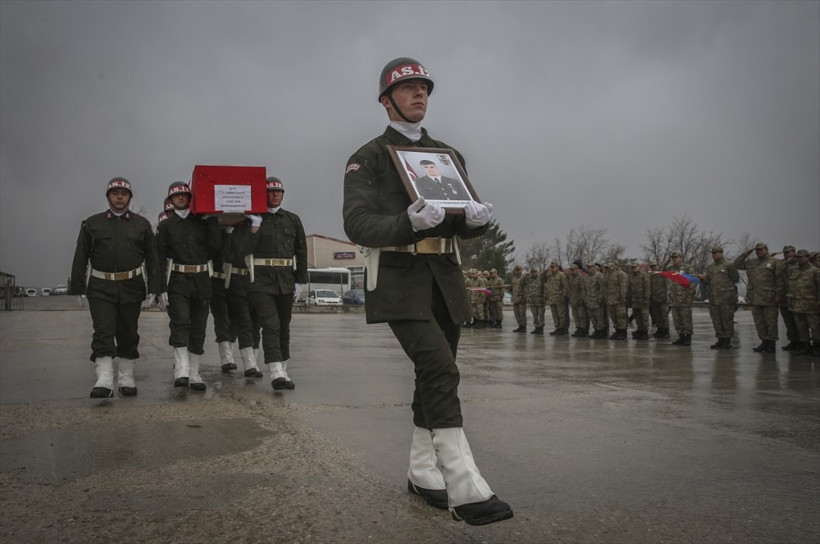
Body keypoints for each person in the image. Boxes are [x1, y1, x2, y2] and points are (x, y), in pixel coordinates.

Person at [342, 57, 513, 526]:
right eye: (409, 87)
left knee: (432, 374)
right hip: (399, 281)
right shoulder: (369, 157)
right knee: (439, 368)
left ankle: (422, 472)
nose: (420, 94)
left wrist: (475, 222)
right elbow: (356, 223)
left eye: (424, 88)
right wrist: (407, 222)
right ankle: (464, 485)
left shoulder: (447, 155)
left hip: (444, 278)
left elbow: (457, 221)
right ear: (386, 100)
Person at [70, 178, 161, 398]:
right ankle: (104, 380)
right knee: (103, 331)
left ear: (130, 197)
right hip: (100, 287)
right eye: (115, 192)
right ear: (108, 196)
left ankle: (126, 378)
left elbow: (152, 257)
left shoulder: (142, 224)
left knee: (128, 332)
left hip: (131, 286)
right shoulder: (92, 223)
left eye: (124, 193)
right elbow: (81, 255)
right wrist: (78, 286)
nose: (119, 196)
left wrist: (155, 287)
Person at [156, 181, 221, 390]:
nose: (181, 198)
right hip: (177, 280)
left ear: (190, 198)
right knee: (181, 322)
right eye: (176, 196)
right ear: (171, 200)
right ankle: (181, 370)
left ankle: (194, 372)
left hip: (201, 280)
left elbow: (215, 247)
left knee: (199, 327)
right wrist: (159, 288)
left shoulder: (202, 223)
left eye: (184, 195)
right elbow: (159, 258)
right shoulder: (166, 226)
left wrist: (212, 220)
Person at [246, 177, 308, 390]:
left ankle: (283, 369)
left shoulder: (292, 219)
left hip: (286, 280)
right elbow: (243, 249)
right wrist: (254, 227)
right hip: (261, 282)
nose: (275, 194)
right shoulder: (253, 219)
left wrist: (300, 280)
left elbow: (301, 250)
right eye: (271, 191)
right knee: (270, 325)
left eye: (279, 191)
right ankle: (275, 372)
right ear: (263, 194)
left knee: (283, 326)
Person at [733, 242, 785, 353]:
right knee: (759, 322)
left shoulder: (775, 262)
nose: (759, 252)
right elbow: (736, 264)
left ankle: (771, 344)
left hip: (769, 298)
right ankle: (764, 342)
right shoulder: (753, 262)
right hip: (755, 297)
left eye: (761, 249)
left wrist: (778, 295)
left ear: (766, 249)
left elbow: (780, 280)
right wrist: (745, 254)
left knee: (771, 322)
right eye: (757, 250)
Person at [696, 247, 739, 349]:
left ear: (721, 253)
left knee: (726, 320)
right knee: (716, 320)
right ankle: (720, 339)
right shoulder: (711, 267)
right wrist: (703, 278)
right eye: (713, 253)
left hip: (726, 298)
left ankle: (727, 340)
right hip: (714, 298)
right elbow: (708, 281)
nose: (714, 255)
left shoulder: (728, 265)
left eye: (715, 253)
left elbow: (735, 279)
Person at [786, 249, 820, 357]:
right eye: (798, 257)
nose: (799, 259)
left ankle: (817, 347)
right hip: (797, 305)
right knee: (801, 327)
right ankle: (806, 347)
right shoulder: (793, 270)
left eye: (801, 257)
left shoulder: (815, 271)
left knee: (815, 327)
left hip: (811, 305)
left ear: (807, 257)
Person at [664, 252, 694, 346]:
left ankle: (688, 337)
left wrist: (689, 296)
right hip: (673, 299)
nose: (674, 259)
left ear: (681, 257)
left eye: (676, 257)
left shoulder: (687, 268)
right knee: (677, 320)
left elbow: (692, 283)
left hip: (684, 298)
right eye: (673, 257)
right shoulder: (670, 269)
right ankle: (681, 337)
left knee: (686, 319)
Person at [778, 245, 800, 351]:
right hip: (784, 297)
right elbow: (776, 272)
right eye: (785, 252)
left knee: (799, 322)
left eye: (788, 252)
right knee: (789, 323)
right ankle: (793, 341)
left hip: (796, 297)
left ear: (794, 252)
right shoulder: (782, 264)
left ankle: (803, 343)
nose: (786, 254)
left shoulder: (799, 263)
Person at [605, 262, 629, 340]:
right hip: (611, 300)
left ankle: (623, 332)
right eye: (607, 267)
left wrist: (622, 298)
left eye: (609, 267)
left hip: (619, 300)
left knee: (621, 317)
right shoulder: (608, 275)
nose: (608, 269)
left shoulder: (621, 274)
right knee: (614, 317)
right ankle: (617, 331)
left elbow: (623, 287)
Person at [582, 262, 607, 338]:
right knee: (593, 317)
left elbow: (602, 289)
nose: (588, 268)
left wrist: (601, 299)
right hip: (589, 301)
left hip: (597, 301)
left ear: (594, 267)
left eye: (590, 267)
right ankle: (596, 331)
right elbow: (584, 289)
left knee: (599, 317)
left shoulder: (599, 276)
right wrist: (585, 299)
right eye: (587, 267)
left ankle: (601, 332)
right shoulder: (587, 277)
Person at [545, 261, 569, 336]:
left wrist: (563, 297)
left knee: (561, 315)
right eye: (551, 267)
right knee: (555, 315)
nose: (552, 268)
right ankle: (557, 328)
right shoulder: (549, 275)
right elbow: (542, 279)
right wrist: (545, 271)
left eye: (553, 267)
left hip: (559, 299)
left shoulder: (561, 275)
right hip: (552, 298)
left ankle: (562, 329)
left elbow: (565, 287)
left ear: (557, 267)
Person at [628, 262, 651, 340]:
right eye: (633, 267)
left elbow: (647, 288)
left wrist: (646, 298)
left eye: (635, 267)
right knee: (637, 317)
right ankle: (640, 330)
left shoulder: (644, 275)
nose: (634, 268)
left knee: (644, 317)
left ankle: (645, 332)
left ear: (639, 267)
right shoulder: (631, 276)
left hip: (643, 300)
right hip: (634, 300)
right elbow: (629, 288)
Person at [648, 262, 670, 339]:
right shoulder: (651, 276)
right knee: (657, 316)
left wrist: (667, 297)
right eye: (652, 267)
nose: (653, 268)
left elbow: (667, 286)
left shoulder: (663, 275)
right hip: (654, 298)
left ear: (658, 266)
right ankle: (660, 330)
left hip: (663, 298)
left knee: (664, 316)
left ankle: (666, 331)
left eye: (654, 266)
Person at [567, 263, 589, 337]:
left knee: (582, 316)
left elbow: (583, 289)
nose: (572, 271)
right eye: (571, 270)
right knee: (575, 316)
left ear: (577, 269)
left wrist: (582, 299)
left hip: (580, 300)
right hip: (573, 300)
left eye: (573, 269)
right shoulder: (570, 277)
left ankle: (583, 330)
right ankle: (578, 329)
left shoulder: (581, 277)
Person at [522, 266, 546, 334]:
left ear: (537, 272)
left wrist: (544, 298)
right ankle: (536, 327)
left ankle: (541, 328)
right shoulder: (529, 280)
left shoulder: (541, 279)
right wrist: (526, 275)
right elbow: (522, 283)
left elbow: (545, 289)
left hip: (540, 300)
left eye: (535, 272)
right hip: (532, 301)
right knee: (534, 315)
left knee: (541, 315)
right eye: (532, 272)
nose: (533, 273)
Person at [509, 265, 527, 333]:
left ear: (521, 270)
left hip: (521, 299)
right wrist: (509, 287)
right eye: (516, 270)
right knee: (516, 314)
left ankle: (524, 327)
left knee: (522, 314)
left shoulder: (524, 278)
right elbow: (512, 288)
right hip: (515, 298)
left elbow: (526, 289)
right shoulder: (514, 279)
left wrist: (524, 297)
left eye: (519, 270)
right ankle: (520, 326)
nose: (518, 271)